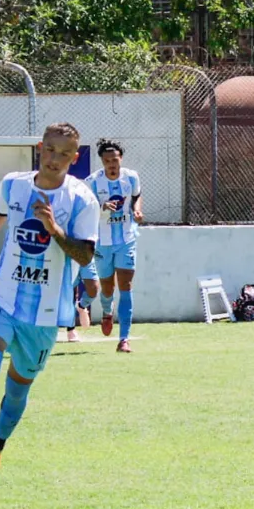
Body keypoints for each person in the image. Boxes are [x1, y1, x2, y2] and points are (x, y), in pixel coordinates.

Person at [0, 123, 99, 493]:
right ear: (39, 148)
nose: (55, 159)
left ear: (74, 158)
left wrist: (55, 229)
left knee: (16, 391)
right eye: (50, 150)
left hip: (45, 313)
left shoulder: (82, 200)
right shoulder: (14, 184)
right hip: (2, 295)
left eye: (65, 154)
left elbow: (85, 253)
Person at [73, 139, 144, 351]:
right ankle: (106, 311)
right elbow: (84, 208)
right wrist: (102, 206)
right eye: (107, 161)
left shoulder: (131, 177)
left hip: (126, 239)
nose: (112, 164)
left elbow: (136, 195)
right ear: (102, 162)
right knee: (107, 287)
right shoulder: (93, 181)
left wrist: (137, 210)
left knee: (126, 286)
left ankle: (124, 338)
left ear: (120, 159)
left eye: (115, 160)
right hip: (102, 243)